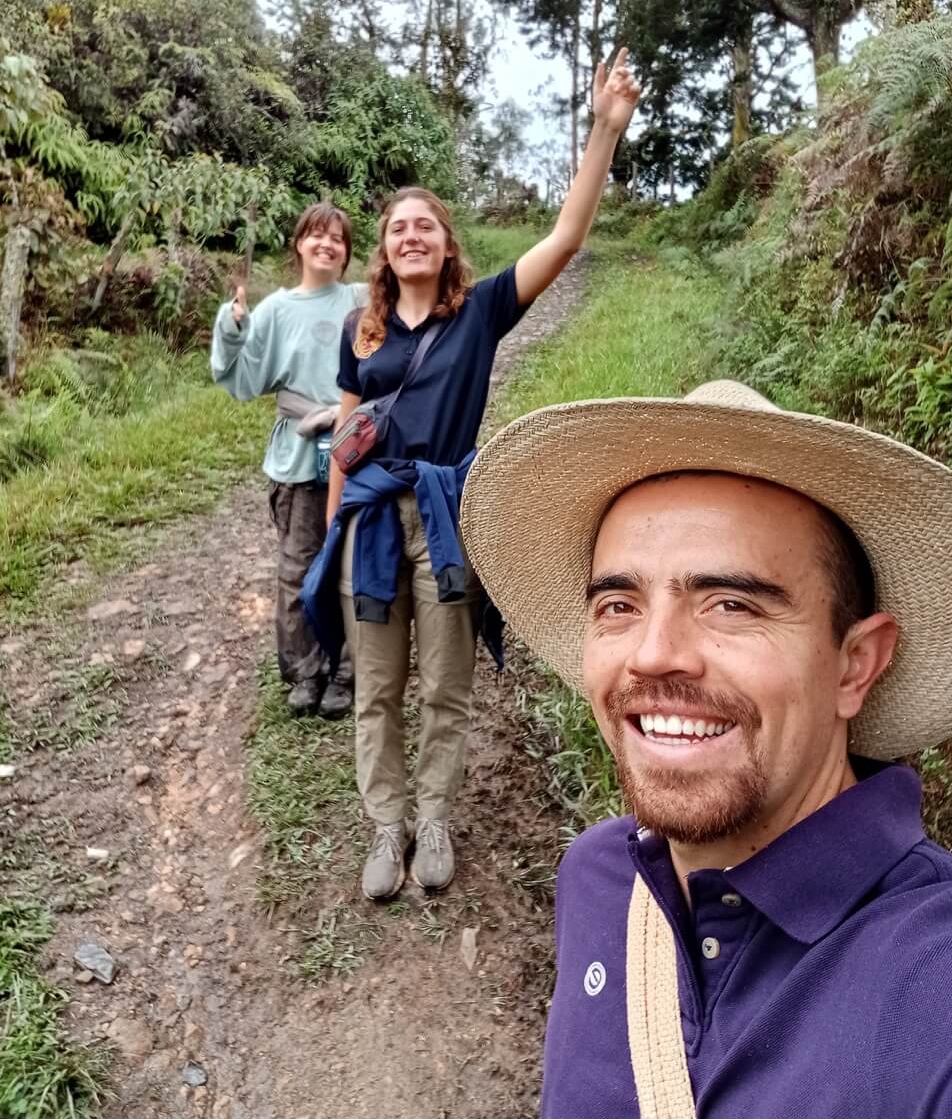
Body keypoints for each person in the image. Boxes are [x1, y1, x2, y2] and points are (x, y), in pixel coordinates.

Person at [460, 379, 952, 1119]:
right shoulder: (598, 877)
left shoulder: (935, 989)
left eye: (732, 604)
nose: (654, 655)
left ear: (854, 665)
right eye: (618, 607)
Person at [303, 49, 642, 901]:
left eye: (425, 224)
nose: (410, 235)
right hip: (373, 522)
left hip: (450, 516)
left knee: (445, 684)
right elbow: (346, 433)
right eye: (396, 228)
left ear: (447, 243)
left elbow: (567, 236)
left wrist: (603, 129)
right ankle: (387, 825)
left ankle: (435, 815)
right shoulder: (363, 331)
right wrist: (335, 523)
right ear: (382, 252)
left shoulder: (481, 312)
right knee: (378, 685)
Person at [211, 202, 365, 718]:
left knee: (354, 565)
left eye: (338, 239)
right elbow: (245, 377)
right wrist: (232, 328)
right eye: (317, 235)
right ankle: (304, 670)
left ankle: (347, 672)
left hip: (358, 452)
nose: (327, 245)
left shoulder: (361, 299)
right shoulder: (275, 309)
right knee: (298, 568)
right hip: (300, 457)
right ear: (299, 243)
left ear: (346, 253)